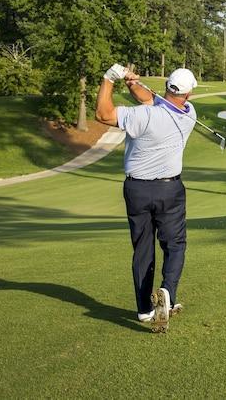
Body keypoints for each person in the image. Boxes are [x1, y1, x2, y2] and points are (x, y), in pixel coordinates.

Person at [95, 64, 199, 331]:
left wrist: (110, 79)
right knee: (175, 244)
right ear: (187, 95)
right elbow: (151, 99)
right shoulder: (189, 114)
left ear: (167, 86)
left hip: (137, 190)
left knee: (143, 248)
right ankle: (168, 293)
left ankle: (144, 310)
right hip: (170, 190)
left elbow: (103, 114)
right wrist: (131, 83)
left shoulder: (142, 116)